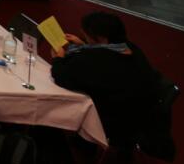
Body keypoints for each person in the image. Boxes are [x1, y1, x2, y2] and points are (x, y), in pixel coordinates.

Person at [50, 11, 158, 147]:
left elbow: (62, 75)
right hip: (144, 115)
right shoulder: (133, 49)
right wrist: (84, 45)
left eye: (87, 36)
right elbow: (104, 53)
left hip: (117, 123)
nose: (86, 38)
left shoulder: (101, 61)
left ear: (101, 39)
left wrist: (58, 58)